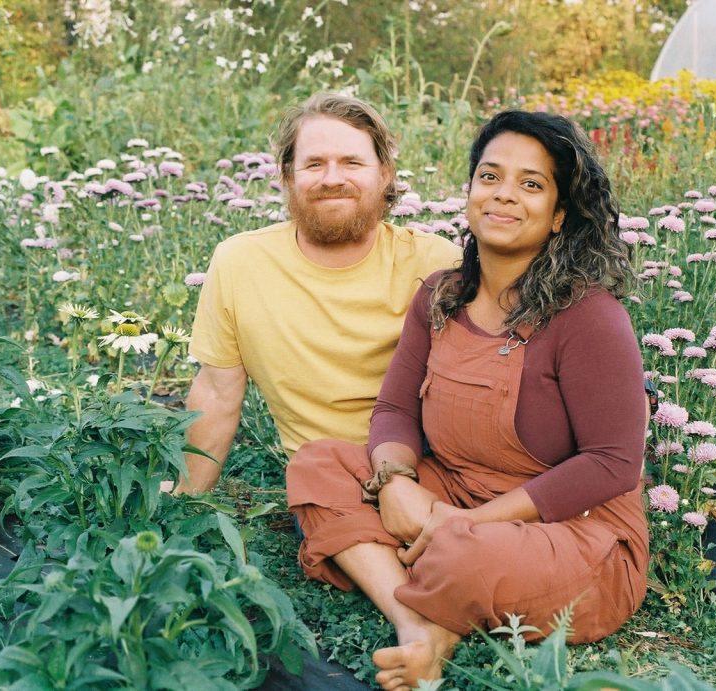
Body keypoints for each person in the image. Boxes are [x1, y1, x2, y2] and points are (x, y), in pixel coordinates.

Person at [286, 110, 649, 690]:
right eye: (490, 176)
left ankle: (426, 576)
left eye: (531, 184)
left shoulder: (590, 317)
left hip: (571, 532)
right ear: (471, 191)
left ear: (558, 215)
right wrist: (397, 481)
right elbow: (395, 410)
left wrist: (467, 525)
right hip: (450, 491)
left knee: (462, 555)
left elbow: (613, 462)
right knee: (319, 465)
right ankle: (418, 623)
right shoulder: (441, 294)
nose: (505, 194)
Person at [172, 93, 462, 494]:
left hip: (432, 468)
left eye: (352, 163)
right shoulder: (241, 262)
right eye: (314, 164)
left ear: (385, 174)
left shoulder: (437, 262)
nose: (331, 179)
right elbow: (217, 394)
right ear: (288, 176)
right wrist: (185, 503)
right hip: (326, 478)